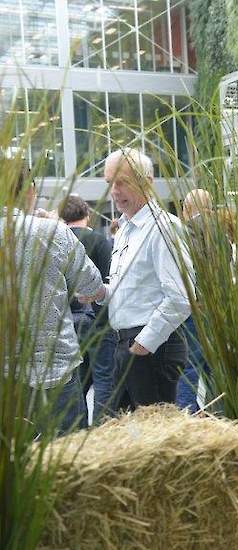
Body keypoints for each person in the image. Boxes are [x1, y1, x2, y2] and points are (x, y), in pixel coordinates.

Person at [2, 164, 104, 433]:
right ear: (30, 192)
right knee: (68, 465)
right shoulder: (52, 232)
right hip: (55, 372)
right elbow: (92, 284)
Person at [102, 148, 192, 408]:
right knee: (120, 434)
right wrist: (102, 294)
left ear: (148, 182)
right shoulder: (125, 230)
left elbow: (181, 296)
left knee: (156, 443)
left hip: (150, 350)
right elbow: (133, 291)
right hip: (128, 346)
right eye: (110, 183)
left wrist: (143, 344)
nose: (114, 192)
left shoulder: (163, 227)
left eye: (122, 182)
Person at [59, 194, 112, 426]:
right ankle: (101, 431)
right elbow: (108, 280)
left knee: (76, 382)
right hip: (98, 320)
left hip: (68, 323)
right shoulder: (100, 241)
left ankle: (77, 432)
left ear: (62, 217)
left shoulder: (57, 241)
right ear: (87, 215)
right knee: (103, 380)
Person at [175, 189, 220, 412]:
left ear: (187, 209)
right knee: (214, 365)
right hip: (219, 307)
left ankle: (187, 413)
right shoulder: (221, 232)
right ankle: (219, 412)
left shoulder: (187, 232)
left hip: (196, 306)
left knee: (190, 363)